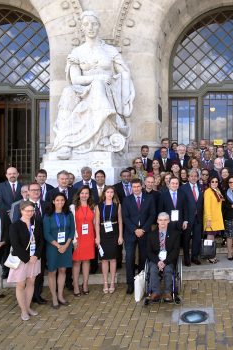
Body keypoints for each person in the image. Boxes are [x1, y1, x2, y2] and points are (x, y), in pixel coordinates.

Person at [52, 11, 134, 159]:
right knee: (67, 92)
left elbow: (124, 74)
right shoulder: (77, 52)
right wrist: (99, 77)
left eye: (94, 24)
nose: (90, 27)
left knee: (98, 86)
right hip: (82, 88)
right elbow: (75, 79)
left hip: (107, 89)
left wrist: (124, 96)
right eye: (86, 24)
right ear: (82, 28)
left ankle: (103, 133)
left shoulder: (110, 50)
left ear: (99, 27)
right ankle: (64, 140)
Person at [7, 201, 44, 321]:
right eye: (27, 211)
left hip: (34, 259)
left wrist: (36, 255)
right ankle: (23, 310)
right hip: (21, 259)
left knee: (31, 282)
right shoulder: (15, 225)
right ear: (21, 211)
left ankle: (28, 308)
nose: (30, 213)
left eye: (32, 211)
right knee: (20, 284)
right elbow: (15, 244)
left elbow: (41, 241)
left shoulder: (37, 223)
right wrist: (27, 258)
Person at [122, 179, 156, 294]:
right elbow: (125, 217)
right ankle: (130, 284)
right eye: (134, 187)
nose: (136, 189)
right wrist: (135, 229)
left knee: (143, 257)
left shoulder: (149, 198)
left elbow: (152, 215)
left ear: (142, 186)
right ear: (131, 188)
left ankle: (142, 281)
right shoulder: (127, 200)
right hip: (131, 233)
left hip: (145, 232)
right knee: (130, 258)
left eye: (138, 186)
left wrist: (143, 229)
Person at [43, 192, 74, 308]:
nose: (60, 202)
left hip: (66, 246)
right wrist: (58, 245)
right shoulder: (48, 215)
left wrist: (66, 245)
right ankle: (54, 297)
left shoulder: (68, 214)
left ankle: (60, 295)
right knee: (52, 272)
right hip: (52, 247)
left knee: (62, 271)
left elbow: (72, 230)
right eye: (57, 200)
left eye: (62, 200)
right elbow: (47, 233)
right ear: (53, 201)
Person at [146, 212, 181, 303]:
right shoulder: (151, 235)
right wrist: (158, 261)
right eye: (160, 220)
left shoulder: (175, 234)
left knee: (168, 269)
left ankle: (167, 293)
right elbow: (149, 252)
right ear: (157, 221)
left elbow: (175, 251)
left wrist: (165, 262)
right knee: (153, 269)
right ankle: (156, 292)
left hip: (168, 259)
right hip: (155, 260)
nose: (163, 222)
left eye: (165, 220)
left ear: (168, 221)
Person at [72, 186, 96, 296]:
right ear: (79, 194)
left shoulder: (93, 207)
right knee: (77, 262)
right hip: (78, 238)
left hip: (89, 237)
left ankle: (85, 284)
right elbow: (71, 225)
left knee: (87, 261)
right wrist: (74, 239)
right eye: (82, 193)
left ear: (89, 195)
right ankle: (76, 285)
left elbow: (95, 223)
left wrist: (97, 238)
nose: (84, 195)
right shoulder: (73, 207)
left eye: (86, 193)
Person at [180, 169, 203, 266]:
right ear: (188, 177)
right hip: (187, 218)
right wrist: (183, 219)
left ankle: (194, 257)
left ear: (198, 177)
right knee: (186, 239)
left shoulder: (201, 187)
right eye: (191, 176)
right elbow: (181, 205)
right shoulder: (183, 188)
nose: (193, 178)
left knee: (197, 238)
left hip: (199, 218)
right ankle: (187, 258)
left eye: (195, 176)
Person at [203, 177, 225, 264]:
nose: (215, 183)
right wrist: (208, 219)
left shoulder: (217, 190)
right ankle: (209, 256)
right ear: (209, 182)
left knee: (212, 238)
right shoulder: (208, 191)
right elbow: (207, 206)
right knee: (210, 238)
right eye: (212, 181)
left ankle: (211, 255)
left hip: (216, 218)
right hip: (211, 219)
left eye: (216, 181)